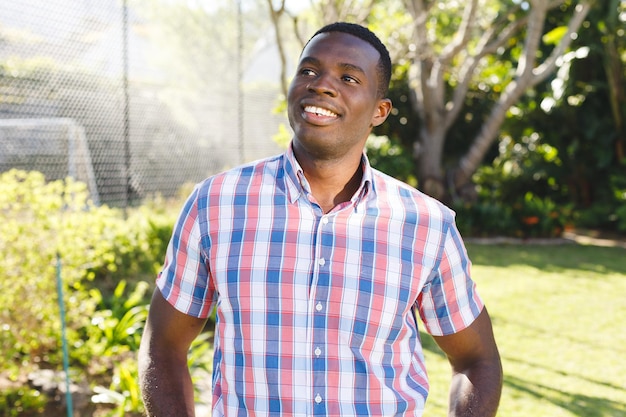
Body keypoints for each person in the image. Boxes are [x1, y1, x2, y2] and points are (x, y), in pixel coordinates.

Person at [138, 22, 502, 417]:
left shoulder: (426, 225)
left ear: (379, 112)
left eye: (348, 77)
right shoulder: (216, 205)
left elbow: (476, 360)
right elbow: (164, 344)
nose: (321, 85)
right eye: (309, 71)